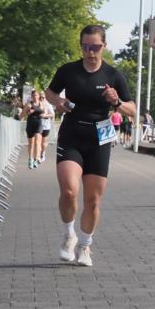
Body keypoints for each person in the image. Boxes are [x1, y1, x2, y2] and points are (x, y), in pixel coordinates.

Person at [45, 25, 135, 267]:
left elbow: (132, 109)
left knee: (93, 200)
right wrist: (59, 101)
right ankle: (68, 236)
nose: (90, 52)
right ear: (81, 47)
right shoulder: (68, 71)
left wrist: (116, 102)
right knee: (69, 191)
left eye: (95, 47)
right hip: (72, 134)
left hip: (99, 137)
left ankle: (85, 246)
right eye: (85, 47)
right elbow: (49, 92)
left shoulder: (113, 75)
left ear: (103, 46)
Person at [21, 90, 45, 168]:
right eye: (33, 95)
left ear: (39, 96)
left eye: (36, 95)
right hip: (30, 124)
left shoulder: (42, 104)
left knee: (38, 142)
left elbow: (44, 113)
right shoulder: (29, 105)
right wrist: (27, 112)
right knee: (31, 143)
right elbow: (22, 115)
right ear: (31, 96)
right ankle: (30, 159)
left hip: (39, 124)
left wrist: (43, 114)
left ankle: (36, 159)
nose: (35, 97)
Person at [39, 97, 55, 163]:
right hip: (37, 126)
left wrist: (45, 116)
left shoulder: (48, 105)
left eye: (43, 97)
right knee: (38, 142)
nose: (41, 98)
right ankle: (37, 156)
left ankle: (43, 154)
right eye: (40, 97)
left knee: (43, 142)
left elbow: (52, 114)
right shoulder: (36, 105)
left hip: (46, 126)